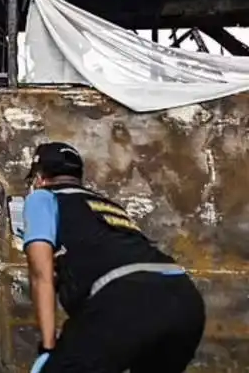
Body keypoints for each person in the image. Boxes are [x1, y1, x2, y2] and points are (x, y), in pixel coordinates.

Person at [21, 142, 206, 373]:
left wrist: (48, 348)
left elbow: (41, 275)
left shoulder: (42, 198)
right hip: (184, 299)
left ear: (39, 178)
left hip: (128, 298)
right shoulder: (106, 206)